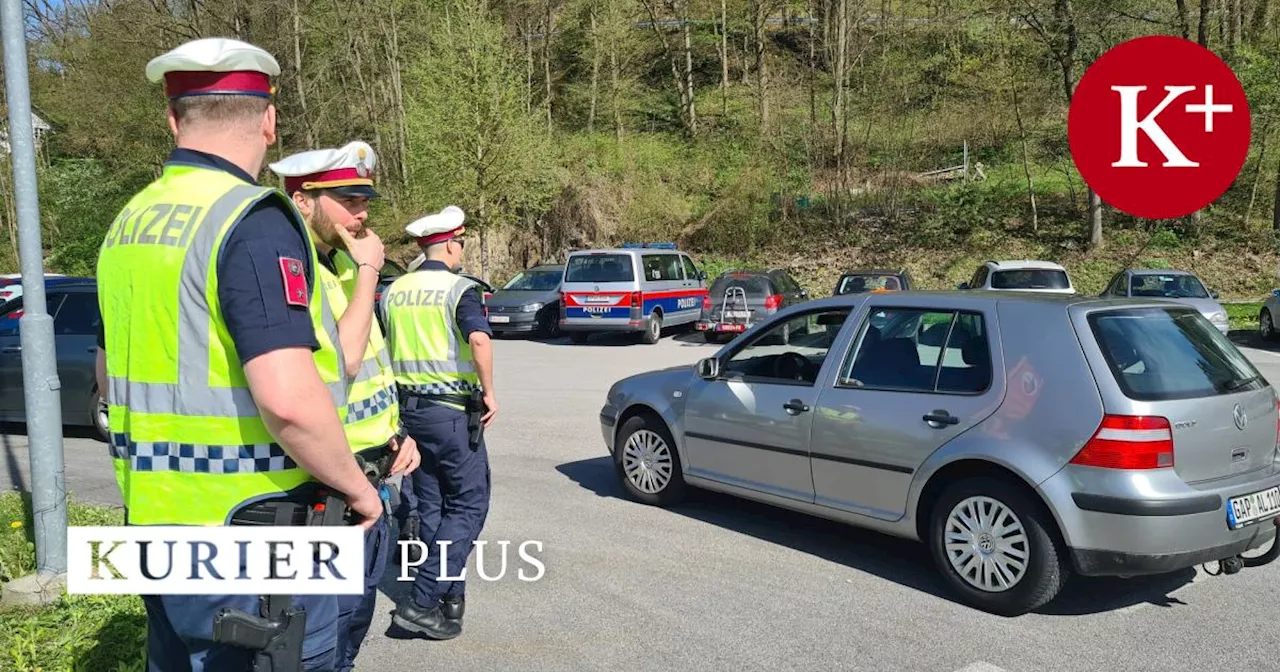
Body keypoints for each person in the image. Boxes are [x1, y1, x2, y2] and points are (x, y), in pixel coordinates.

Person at [94, 37, 383, 671]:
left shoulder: (128, 223)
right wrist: (360, 489)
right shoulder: (250, 218)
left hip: (154, 517)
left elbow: (106, 371)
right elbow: (288, 401)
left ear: (173, 119)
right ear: (269, 121)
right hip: (250, 533)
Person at [267, 141, 420, 671]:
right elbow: (345, 360)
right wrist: (371, 271)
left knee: (355, 620)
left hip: (374, 470)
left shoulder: (338, 263)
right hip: (330, 486)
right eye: (347, 200)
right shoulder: (297, 267)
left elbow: (373, 368)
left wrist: (397, 432)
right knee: (321, 638)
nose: (362, 213)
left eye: (364, 200)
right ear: (302, 199)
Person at [382, 206, 496, 641]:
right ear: (450, 243)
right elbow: (479, 339)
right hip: (450, 413)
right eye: (461, 242)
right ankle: (424, 600)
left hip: (407, 413)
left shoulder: (393, 291)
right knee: (468, 506)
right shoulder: (458, 288)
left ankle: (451, 598)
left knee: (431, 507)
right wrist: (490, 391)